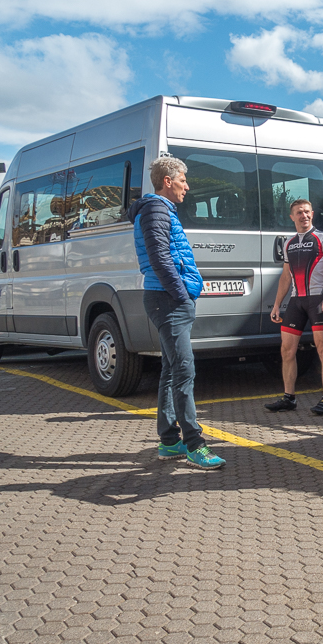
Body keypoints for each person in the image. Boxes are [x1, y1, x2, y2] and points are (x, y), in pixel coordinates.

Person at [127, 155, 225, 470]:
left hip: (166, 299)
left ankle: (169, 441)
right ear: (167, 181)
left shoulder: (160, 209)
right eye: (183, 180)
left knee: (171, 370)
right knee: (184, 371)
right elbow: (159, 256)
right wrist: (182, 294)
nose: (187, 186)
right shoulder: (156, 208)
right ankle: (196, 446)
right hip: (167, 300)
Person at [264, 198, 323, 415]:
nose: (304, 216)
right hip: (296, 301)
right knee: (286, 350)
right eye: (299, 212)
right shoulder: (289, 243)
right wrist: (277, 305)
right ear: (292, 217)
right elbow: (285, 277)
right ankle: (289, 398)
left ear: (312, 214)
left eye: (307, 212)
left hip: (318, 300)